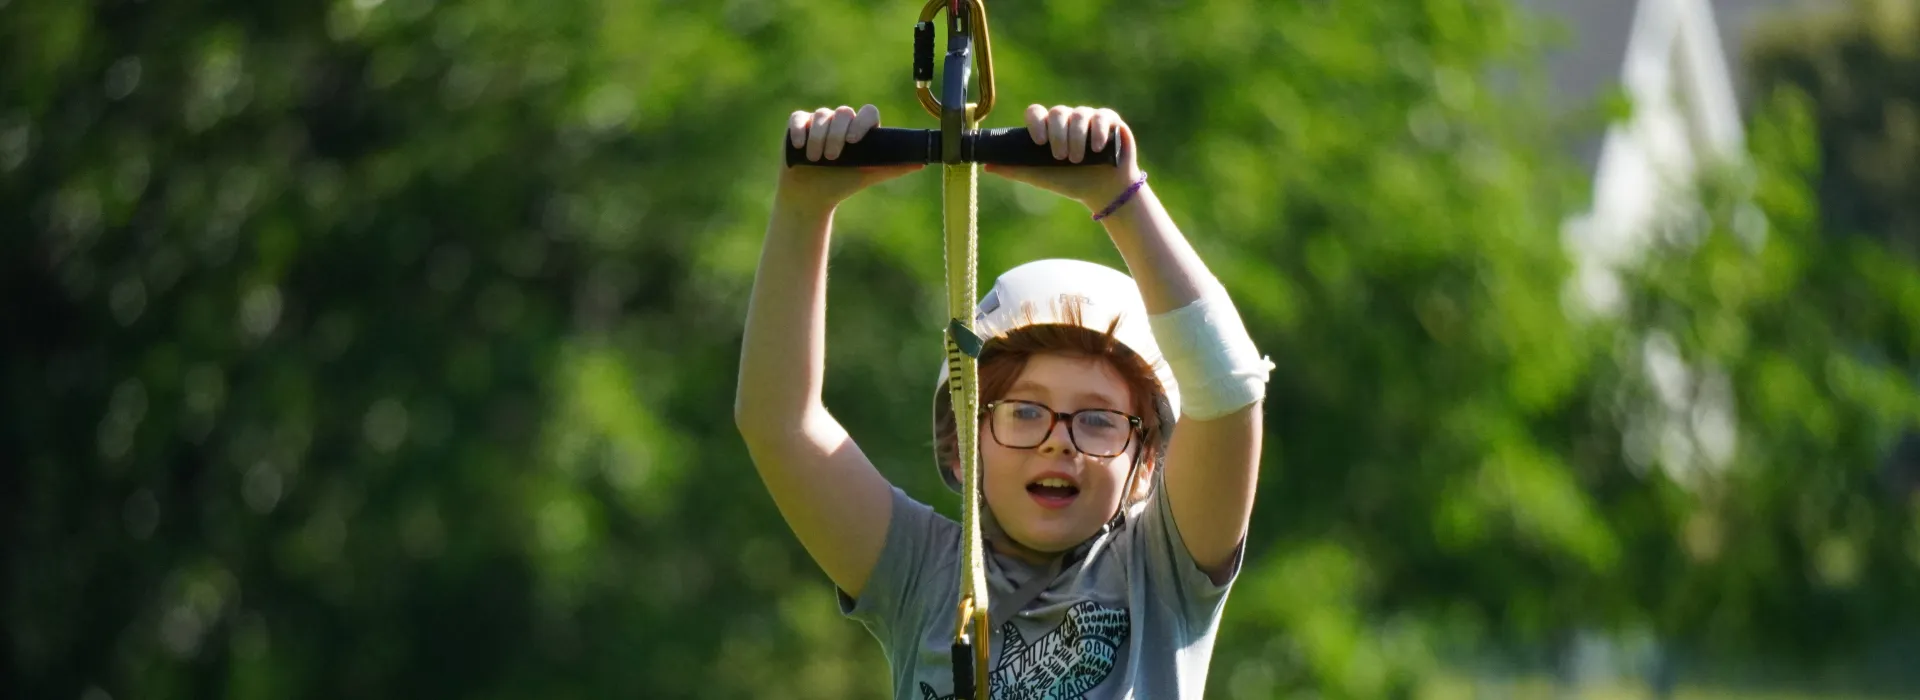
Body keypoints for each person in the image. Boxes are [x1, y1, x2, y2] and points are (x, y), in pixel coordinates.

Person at [735, 102, 1274, 699]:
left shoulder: (1163, 572)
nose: (1055, 440)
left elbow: (1227, 388)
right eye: (1023, 412)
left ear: (1146, 462)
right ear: (966, 447)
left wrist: (1120, 196)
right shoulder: (920, 573)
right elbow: (778, 422)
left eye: (1097, 420)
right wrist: (803, 208)